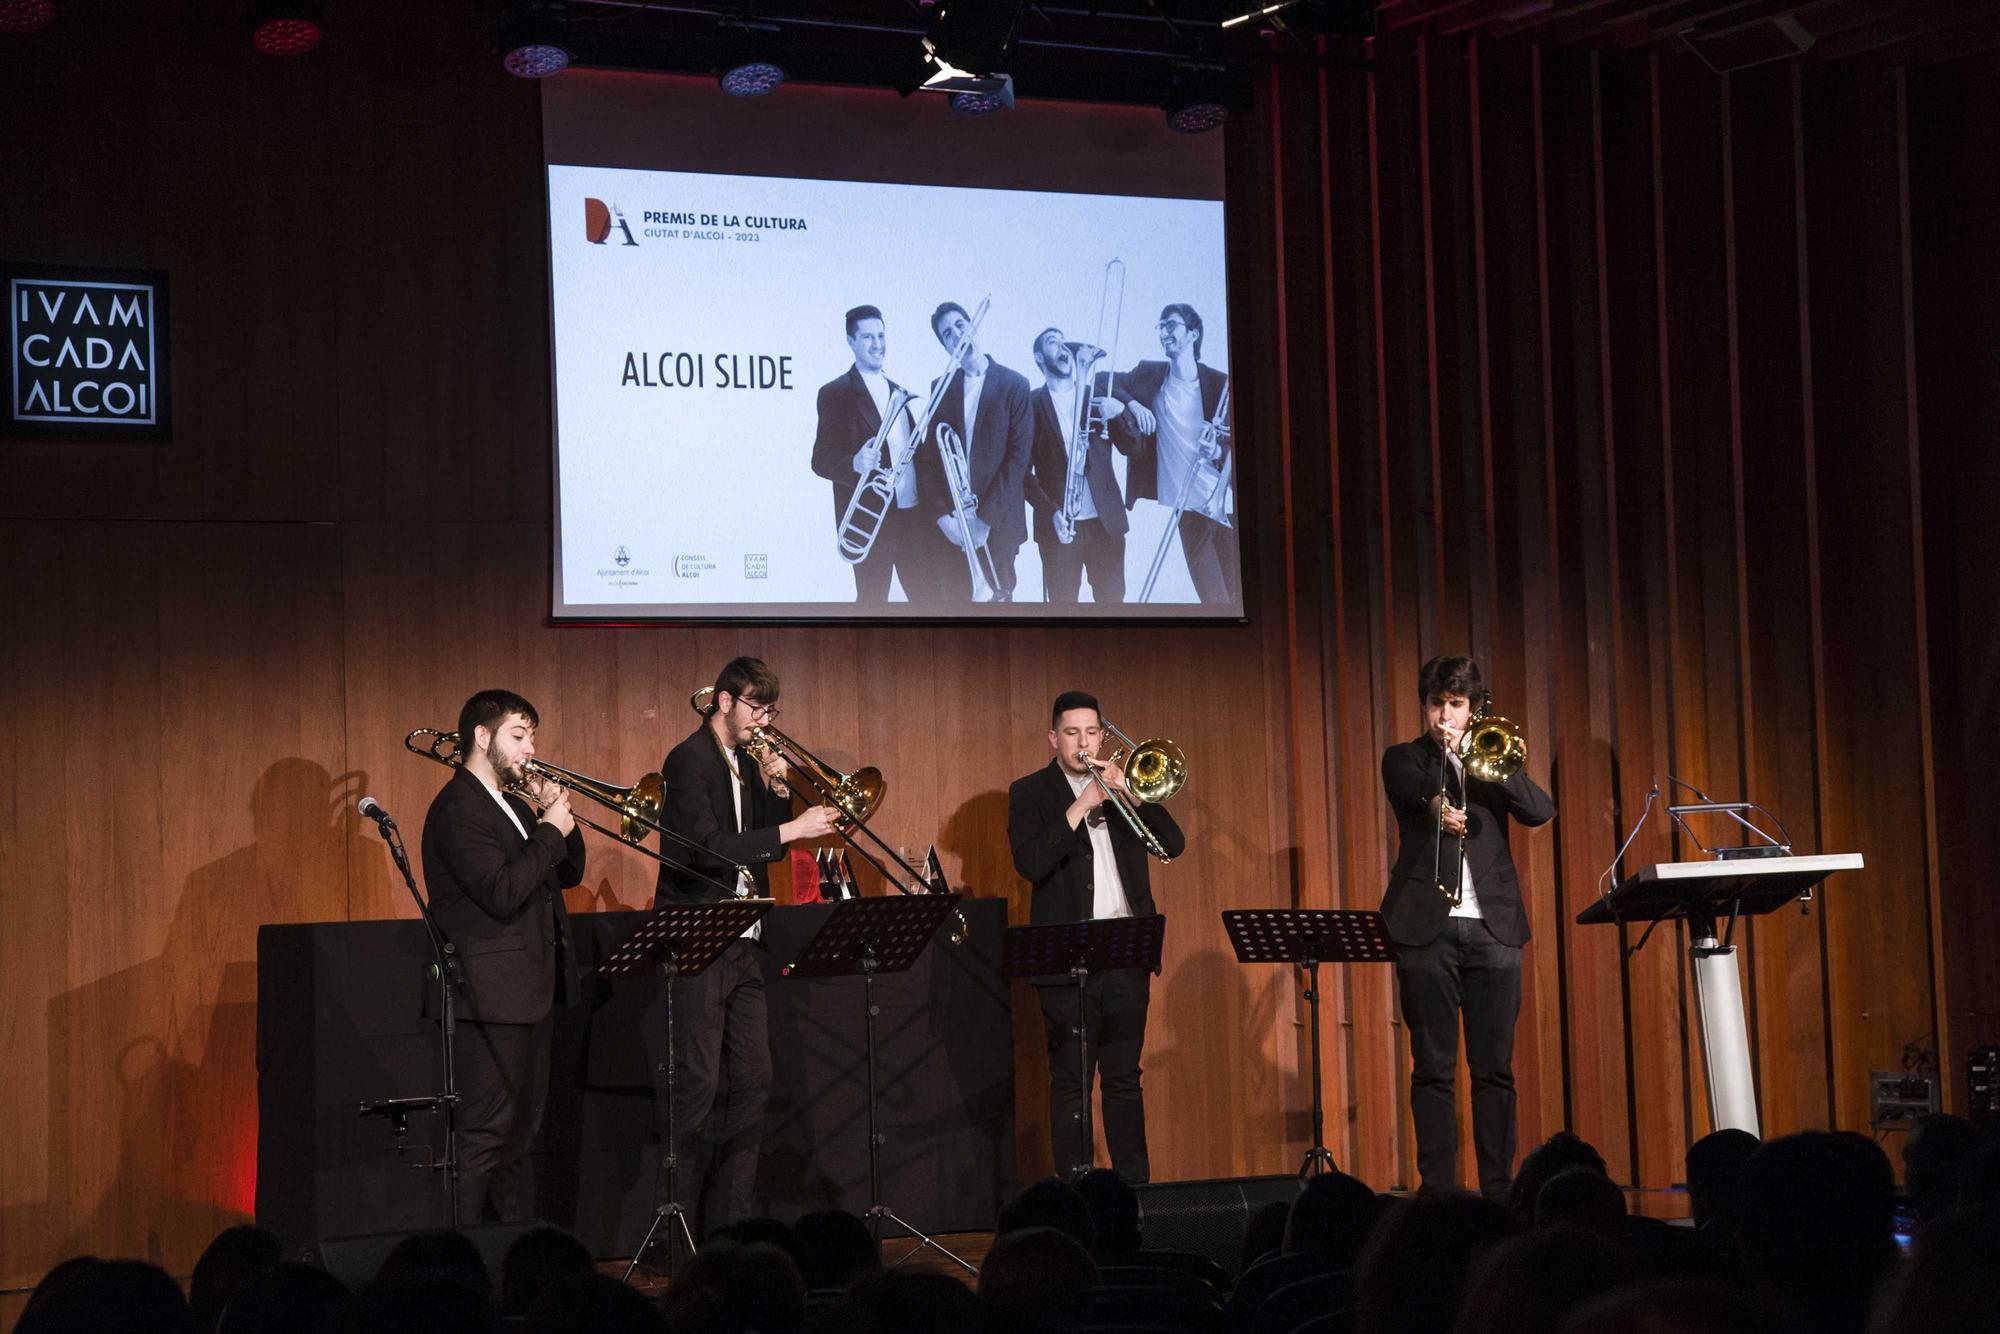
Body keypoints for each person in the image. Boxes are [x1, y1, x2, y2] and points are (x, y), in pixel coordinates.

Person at [657, 656, 840, 1230]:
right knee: (697, 1084)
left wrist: (778, 791)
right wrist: (792, 826)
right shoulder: (688, 760)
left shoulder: (743, 760)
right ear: (725, 702)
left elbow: (765, 846)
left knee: (755, 1076)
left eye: (770, 710)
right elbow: (709, 848)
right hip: (700, 936)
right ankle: (675, 1228)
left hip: (747, 936)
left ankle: (730, 1225)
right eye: (756, 708)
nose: (763, 720)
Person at [1379, 655, 1554, 1198]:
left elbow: (1539, 811)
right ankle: (1438, 1192)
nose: (1444, 716)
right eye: (1436, 703)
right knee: (1432, 1068)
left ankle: (1500, 1190)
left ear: (1474, 707)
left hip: (1494, 928)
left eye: (1456, 704)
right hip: (1426, 930)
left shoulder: (1489, 759)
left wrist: (1486, 757)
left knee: (1494, 1070)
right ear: (1424, 705)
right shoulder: (1405, 757)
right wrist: (1440, 800)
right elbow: (1413, 791)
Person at [419, 689, 585, 1222]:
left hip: (530, 992)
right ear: (482, 737)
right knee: (483, 1139)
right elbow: (500, 892)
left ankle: (513, 1261)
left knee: (519, 1140)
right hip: (489, 999)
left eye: (532, 737)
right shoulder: (456, 808)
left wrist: (560, 822)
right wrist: (547, 831)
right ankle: (459, 1267)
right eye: (519, 736)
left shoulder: (512, 804)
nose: (530, 749)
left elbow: (567, 873)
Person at [1008, 690, 1184, 1182]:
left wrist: (1129, 793)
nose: (1082, 742)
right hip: (1066, 962)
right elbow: (1031, 863)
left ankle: (1136, 1195)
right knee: (1072, 1083)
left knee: (1125, 1080)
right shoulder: (1030, 792)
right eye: (1071, 733)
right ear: (1053, 738)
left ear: (1102, 735)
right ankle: (1077, 1192)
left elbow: (1173, 845)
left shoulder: (1124, 787)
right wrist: (1082, 802)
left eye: (1091, 732)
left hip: (1126, 953)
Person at [1109, 303, 1236, 605]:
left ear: (1193, 333)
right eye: (1161, 326)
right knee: (1215, 602)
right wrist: (1133, 405)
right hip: (1187, 510)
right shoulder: (1150, 374)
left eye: (1171, 326)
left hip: (1226, 506)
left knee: (1237, 598)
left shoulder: (1220, 384)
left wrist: (1217, 449)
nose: (1163, 332)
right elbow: (1106, 381)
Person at [918, 300, 1033, 603]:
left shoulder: (1015, 384)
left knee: (999, 618)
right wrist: (945, 520)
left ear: (973, 326)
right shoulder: (940, 387)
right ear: (944, 346)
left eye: (960, 326)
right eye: (947, 335)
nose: (956, 336)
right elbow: (930, 461)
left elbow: (1018, 459)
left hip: (998, 523)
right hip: (955, 526)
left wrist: (985, 520)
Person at [810, 305, 923, 603]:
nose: (878, 344)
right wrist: (854, 464)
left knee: (927, 604)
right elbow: (820, 459)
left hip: (913, 517)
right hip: (871, 520)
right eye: (868, 337)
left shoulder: (899, 390)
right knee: (873, 605)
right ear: (851, 342)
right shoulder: (836, 392)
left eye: (881, 335)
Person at [1027, 327, 1133, 604]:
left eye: (1065, 342)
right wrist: (1051, 512)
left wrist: (1120, 413)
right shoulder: (1030, 403)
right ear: (1039, 357)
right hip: (1059, 527)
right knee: (1062, 612)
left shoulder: (1096, 396)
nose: (1063, 348)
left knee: (1113, 610)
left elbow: (1132, 447)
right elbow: (1022, 474)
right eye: (1053, 342)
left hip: (1105, 524)